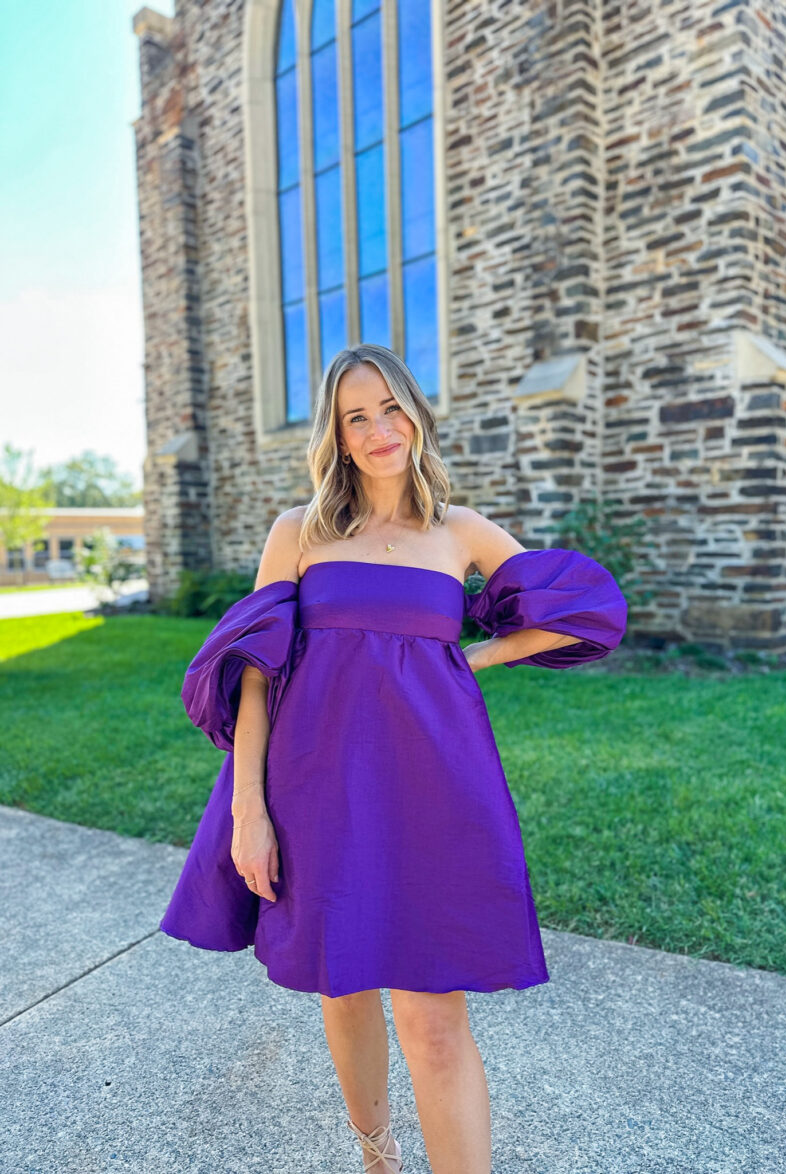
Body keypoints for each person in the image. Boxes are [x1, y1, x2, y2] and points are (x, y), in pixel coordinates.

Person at [159, 343, 628, 1173]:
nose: (380, 429)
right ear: (337, 438)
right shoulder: (296, 534)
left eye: (391, 407)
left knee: (434, 1015)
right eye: (356, 417)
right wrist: (248, 810)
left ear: (416, 410)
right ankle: (378, 1154)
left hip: (432, 787)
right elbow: (257, 680)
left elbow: (584, 612)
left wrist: (468, 658)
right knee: (343, 985)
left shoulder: (460, 531)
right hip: (315, 787)